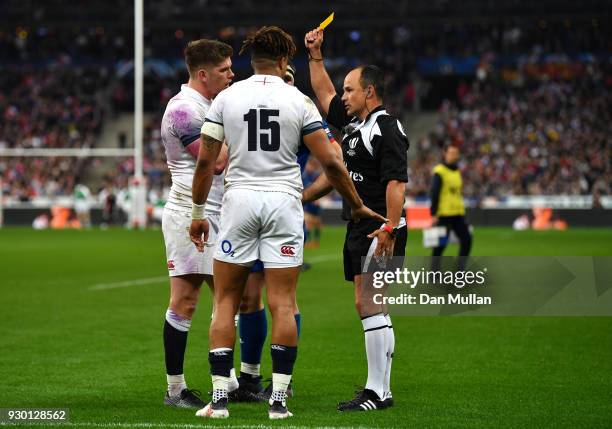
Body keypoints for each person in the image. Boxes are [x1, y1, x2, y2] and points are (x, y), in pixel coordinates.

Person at [190, 26, 385, 420]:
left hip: (239, 200)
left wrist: (197, 214)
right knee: (282, 303)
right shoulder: (298, 101)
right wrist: (357, 204)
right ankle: (278, 401)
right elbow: (331, 162)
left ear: (250, 60)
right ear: (284, 61)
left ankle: (219, 400)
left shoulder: (227, 98)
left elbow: (207, 162)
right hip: (283, 202)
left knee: (225, 301)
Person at [303, 27, 409, 411]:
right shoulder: (353, 129)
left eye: (350, 89)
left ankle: (376, 392)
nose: (343, 96)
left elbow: (397, 182)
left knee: (370, 304)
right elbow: (324, 96)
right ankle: (381, 388)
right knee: (371, 305)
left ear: (370, 92)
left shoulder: (386, 127)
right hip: (360, 226)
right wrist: (315, 56)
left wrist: (389, 228)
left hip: (379, 227)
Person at [236, 61, 339, 400]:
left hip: (280, 211)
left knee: (283, 300)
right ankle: (249, 378)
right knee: (248, 297)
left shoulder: (298, 106)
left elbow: (335, 160)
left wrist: (302, 196)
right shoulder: (242, 102)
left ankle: (283, 381)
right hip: (249, 211)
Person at [160, 38, 241, 409]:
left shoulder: (208, 104)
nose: (232, 74)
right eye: (224, 70)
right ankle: (175, 390)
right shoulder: (184, 111)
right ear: (204, 74)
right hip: (191, 214)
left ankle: (230, 380)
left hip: (218, 212)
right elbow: (218, 160)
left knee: (228, 297)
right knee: (186, 300)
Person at [430, 144, 472, 270]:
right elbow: (434, 193)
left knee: (467, 240)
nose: (454, 155)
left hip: (457, 213)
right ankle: (434, 272)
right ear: (445, 154)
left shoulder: (457, 171)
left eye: (456, 153)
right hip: (444, 214)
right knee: (440, 245)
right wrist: (433, 213)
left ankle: (460, 270)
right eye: (451, 153)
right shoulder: (439, 171)